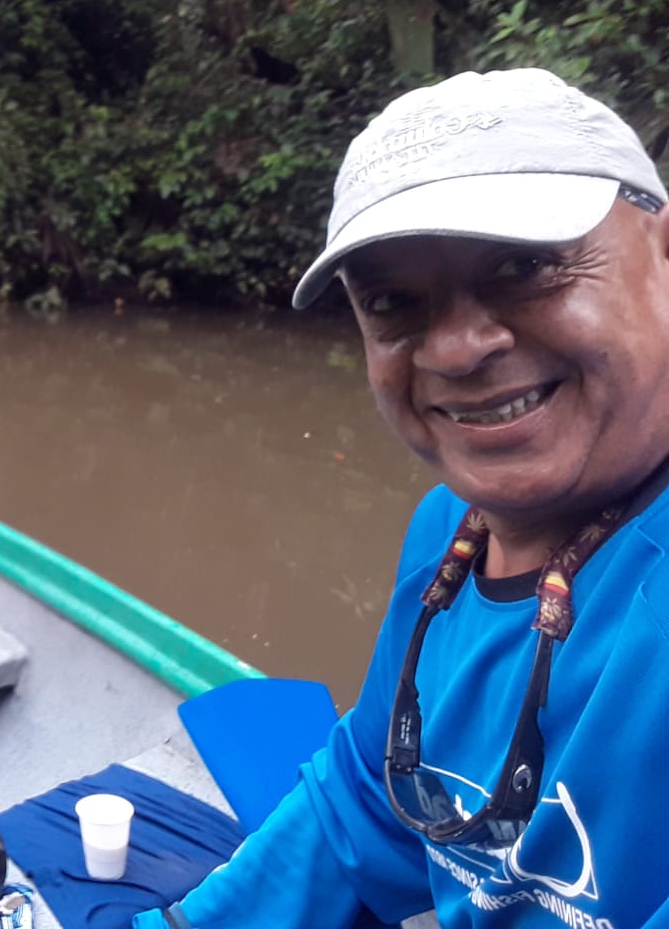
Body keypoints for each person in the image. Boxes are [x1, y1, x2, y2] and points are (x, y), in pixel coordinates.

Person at [135, 69, 669, 929]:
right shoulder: (449, 535)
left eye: (525, 267)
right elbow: (367, 804)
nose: (455, 348)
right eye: (392, 303)